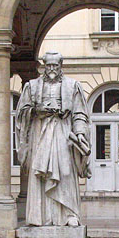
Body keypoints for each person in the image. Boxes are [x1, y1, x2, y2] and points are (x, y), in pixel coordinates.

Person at [15, 51, 91, 226]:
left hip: (63, 132)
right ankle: (40, 217)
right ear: (44, 65)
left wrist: (80, 133)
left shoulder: (72, 86)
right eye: (48, 65)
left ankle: (69, 214)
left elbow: (80, 113)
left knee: (65, 171)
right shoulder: (32, 86)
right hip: (40, 133)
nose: (51, 69)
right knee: (39, 175)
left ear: (60, 65)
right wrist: (37, 110)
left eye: (55, 65)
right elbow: (22, 113)